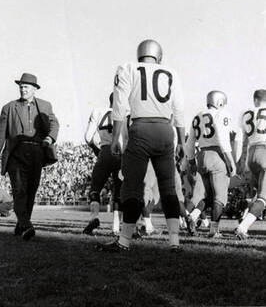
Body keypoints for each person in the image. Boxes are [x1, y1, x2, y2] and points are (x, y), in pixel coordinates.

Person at [99, 39, 186, 252]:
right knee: (168, 187)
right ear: (158, 56)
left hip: (141, 129)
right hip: (166, 130)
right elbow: (180, 110)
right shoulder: (171, 72)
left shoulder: (128, 68)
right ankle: (174, 242)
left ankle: (124, 241)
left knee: (132, 186)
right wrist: (182, 141)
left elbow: (119, 106)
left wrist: (117, 137)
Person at [0, 73, 59, 240]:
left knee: (31, 191)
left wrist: (50, 137)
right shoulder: (9, 107)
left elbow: (54, 123)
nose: (23, 89)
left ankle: (21, 224)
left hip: (37, 153)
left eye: (26, 87)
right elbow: (0, 133)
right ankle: (27, 226)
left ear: (34, 89)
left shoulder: (45, 106)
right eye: (21, 86)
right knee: (19, 191)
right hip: (16, 154)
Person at [185, 91, 242, 238]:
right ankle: (213, 231)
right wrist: (231, 161)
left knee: (207, 196)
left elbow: (190, 141)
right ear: (220, 102)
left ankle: (192, 216)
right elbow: (223, 139)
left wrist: (191, 160)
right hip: (217, 155)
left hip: (201, 156)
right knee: (220, 198)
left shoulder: (198, 115)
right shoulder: (223, 114)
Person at [83, 93, 127, 235]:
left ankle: (94, 218)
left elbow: (88, 137)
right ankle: (115, 227)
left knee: (95, 188)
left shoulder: (98, 111)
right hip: (121, 154)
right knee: (119, 190)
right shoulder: (127, 114)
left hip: (105, 151)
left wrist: (97, 150)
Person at [235, 89, 266, 239]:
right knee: (263, 197)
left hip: (252, 154)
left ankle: (244, 218)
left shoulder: (245, 112)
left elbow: (240, 140)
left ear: (255, 100)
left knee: (254, 195)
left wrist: (240, 161)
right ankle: (243, 227)